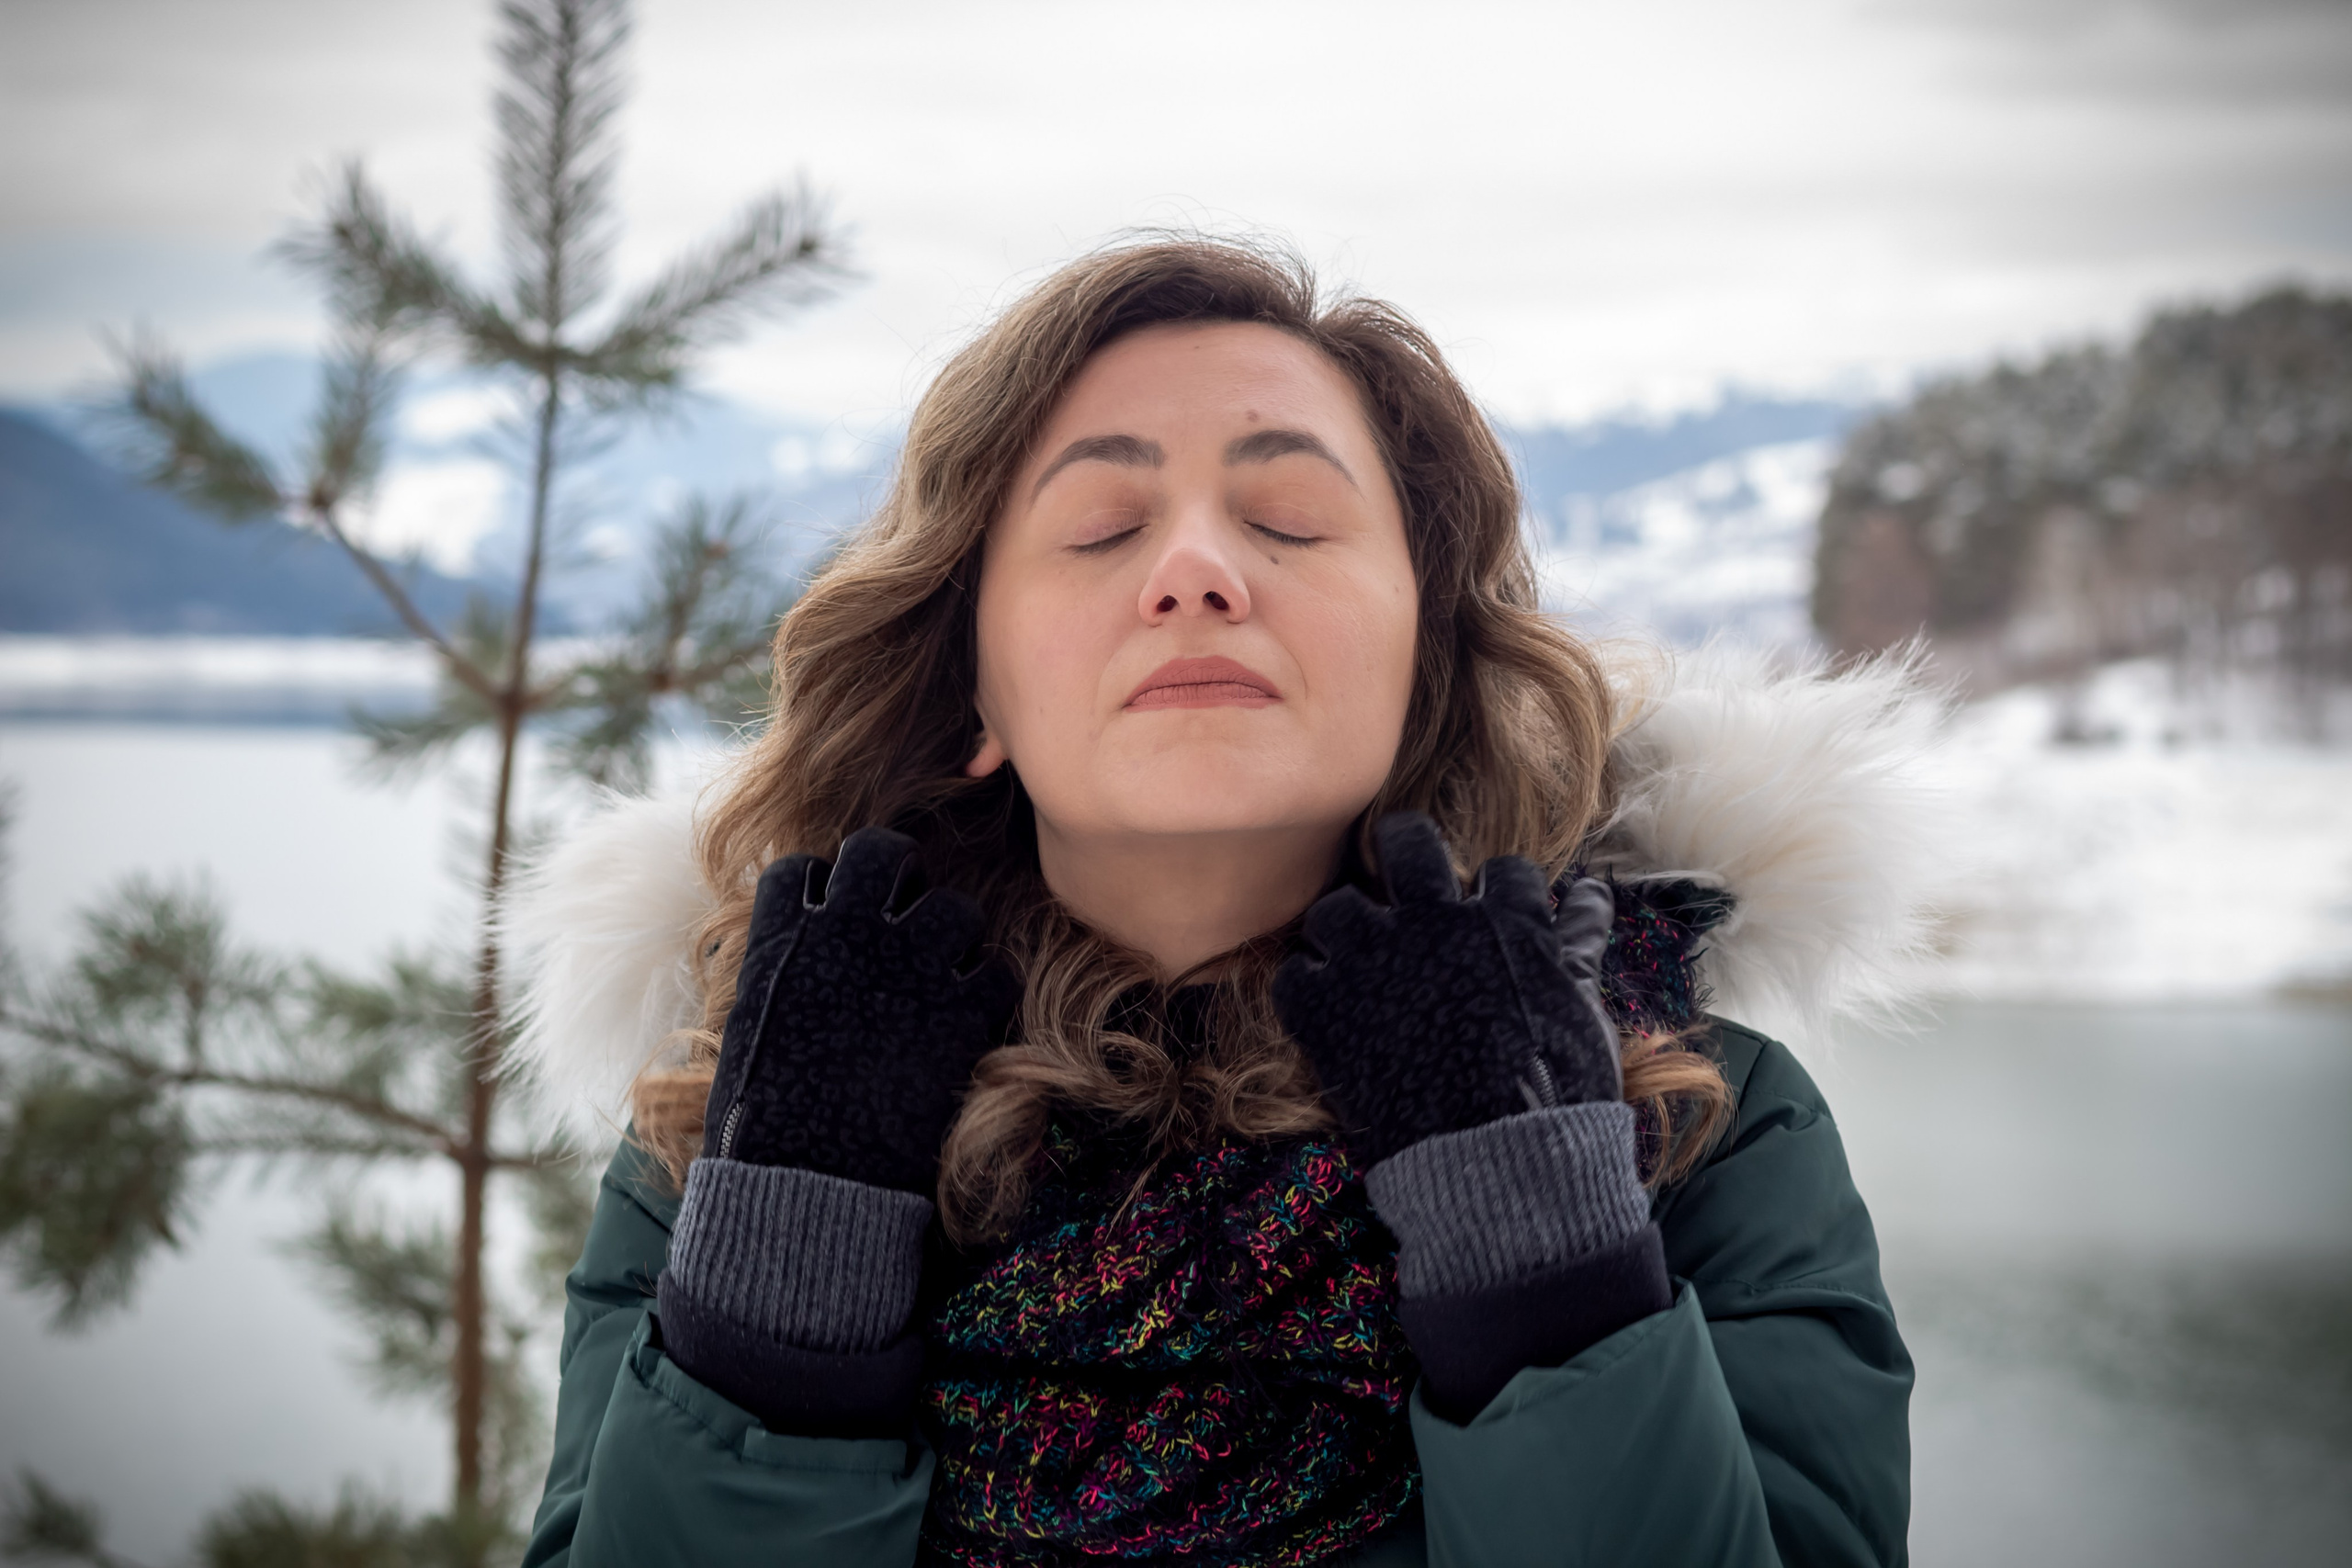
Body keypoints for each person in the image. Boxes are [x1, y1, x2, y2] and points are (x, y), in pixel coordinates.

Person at [505, 239, 1930, 1567]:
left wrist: (1539, 1241)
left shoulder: (1690, 1118)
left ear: (1424, 655)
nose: (1195, 573)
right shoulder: (735, 1125)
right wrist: (784, 1284)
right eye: (1104, 524)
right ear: (973, 686)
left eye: (1294, 520)